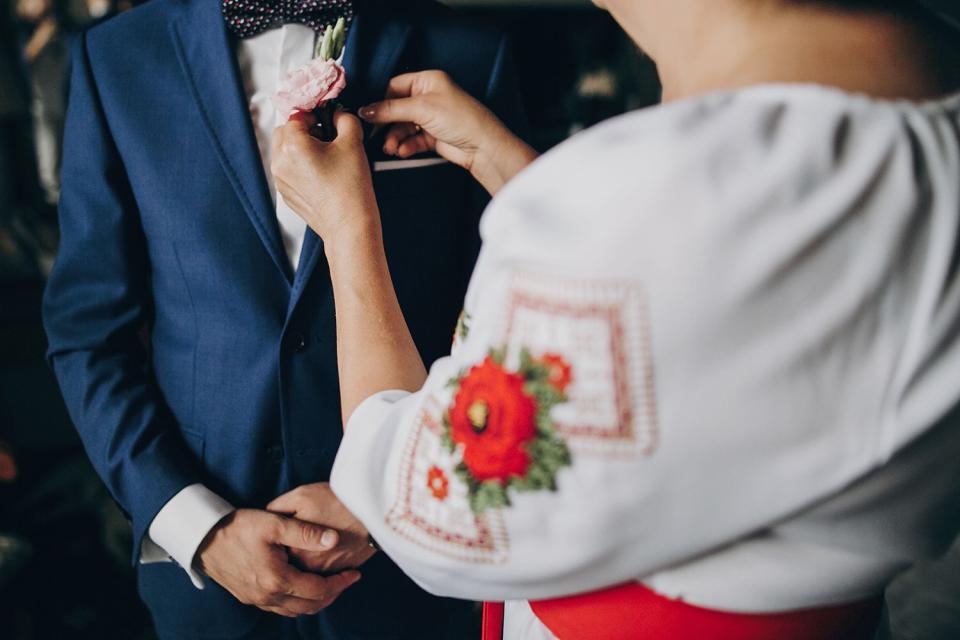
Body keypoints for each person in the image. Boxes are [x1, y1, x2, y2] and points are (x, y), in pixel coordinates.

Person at [268, 0, 960, 638]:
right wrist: (508, 164)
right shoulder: (929, 99)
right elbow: (707, 304)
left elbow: (427, 512)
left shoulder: (643, 194)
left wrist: (347, 232)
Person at [41, 0, 525, 638]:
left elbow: (511, 321)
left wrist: (390, 497)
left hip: (410, 574)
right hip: (207, 584)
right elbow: (88, 335)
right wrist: (198, 525)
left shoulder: (469, 52)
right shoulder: (117, 57)